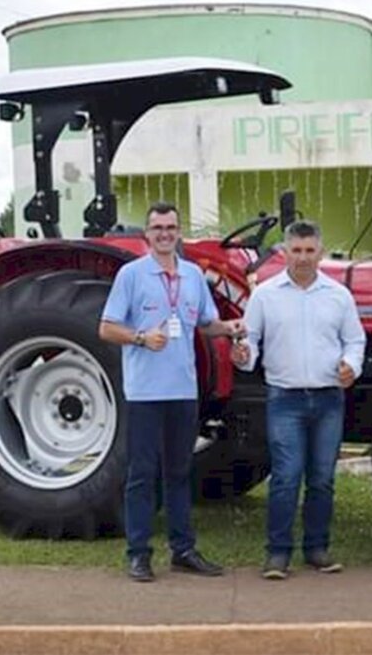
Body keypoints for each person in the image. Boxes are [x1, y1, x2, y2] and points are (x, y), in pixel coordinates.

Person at [99, 202, 244, 582]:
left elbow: (206, 323)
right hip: (145, 393)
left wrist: (230, 328)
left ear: (178, 232)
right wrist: (141, 338)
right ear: (146, 234)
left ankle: (183, 550)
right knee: (142, 474)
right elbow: (107, 328)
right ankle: (138, 553)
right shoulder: (131, 275)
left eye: (171, 227)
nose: (164, 233)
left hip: (183, 391)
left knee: (180, 473)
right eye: (157, 227)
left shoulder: (194, 275)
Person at [231, 220, 366, 580]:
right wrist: (243, 353)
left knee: (322, 478)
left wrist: (351, 365)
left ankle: (317, 549)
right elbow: (251, 341)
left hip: (328, 399)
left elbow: (355, 341)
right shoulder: (265, 295)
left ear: (320, 252)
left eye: (310, 251)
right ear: (284, 251)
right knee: (287, 477)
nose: (303, 258)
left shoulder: (339, 296)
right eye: (296, 250)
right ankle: (277, 554)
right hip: (284, 398)